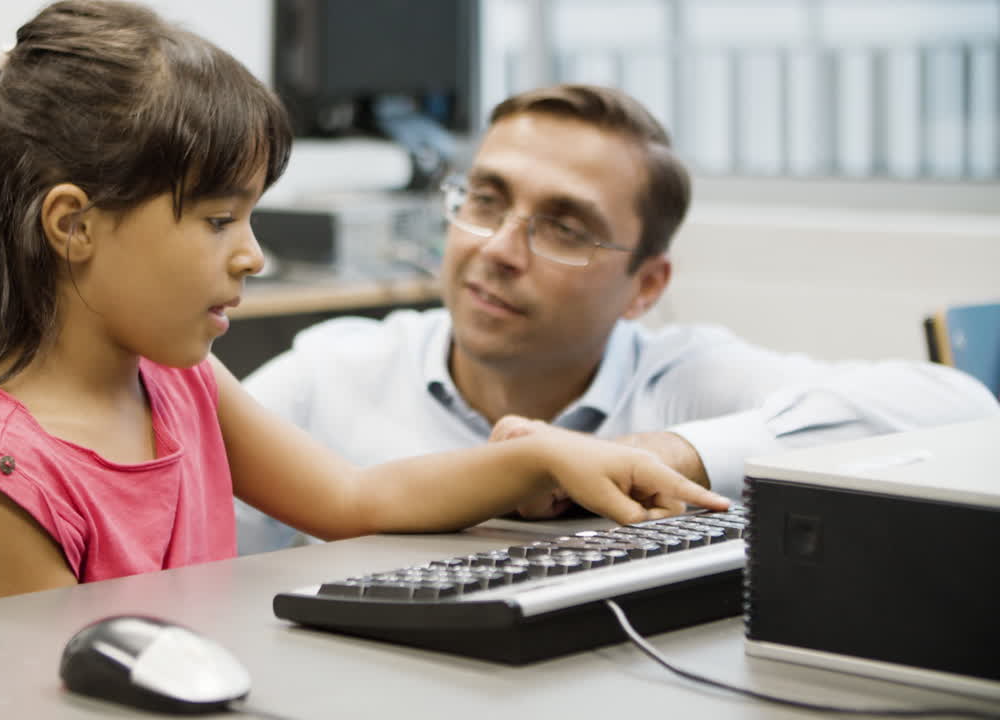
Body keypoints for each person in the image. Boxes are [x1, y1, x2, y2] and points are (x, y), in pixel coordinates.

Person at [0, 1, 727, 610]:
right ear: (73, 225)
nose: (254, 253)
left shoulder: (182, 383)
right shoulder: (6, 477)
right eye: (218, 221)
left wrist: (542, 462)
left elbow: (353, 499)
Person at [237, 83, 1000, 553]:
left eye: (563, 228)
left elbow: (959, 408)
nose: (499, 250)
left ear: (646, 285)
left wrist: (659, 452)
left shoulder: (683, 379)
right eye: (486, 201)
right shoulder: (329, 377)